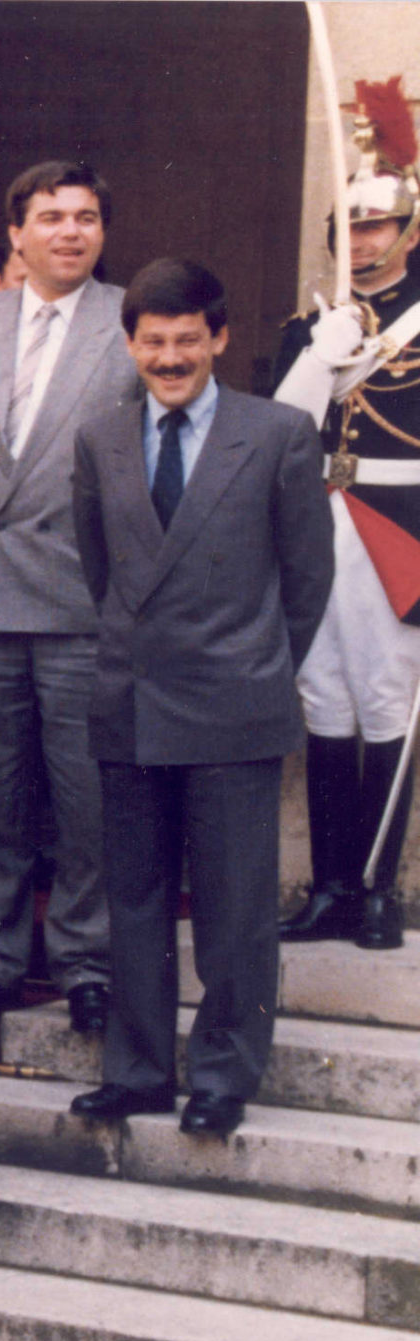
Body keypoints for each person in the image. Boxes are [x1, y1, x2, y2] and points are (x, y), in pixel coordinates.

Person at [69, 259, 333, 1140]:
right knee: (136, 901)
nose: (170, 358)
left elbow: (307, 581)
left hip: (234, 705)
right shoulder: (100, 438)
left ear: (218, 339)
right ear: (131, 344)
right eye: (153, 342)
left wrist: (252, 666)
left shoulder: (280, 435)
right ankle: (138, 1070)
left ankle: (222, 1073)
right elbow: (104, 566)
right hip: (132, 703)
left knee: (233, 905)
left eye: (188, 340)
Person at [0, 160, 141, 1041]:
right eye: (51, 217)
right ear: (15, 233)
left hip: (81, 601)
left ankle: (86, 964)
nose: (70, 232)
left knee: (86, 796)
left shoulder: (129, 322)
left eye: (86, 216)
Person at [273, 77, 420, 951]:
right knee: (323, 698)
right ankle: (329, 885)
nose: (361, 241)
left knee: (386, 701)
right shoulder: (313, 321)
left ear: (408, 233)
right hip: (320, 515)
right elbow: (282, 431)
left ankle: (377, 890)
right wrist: (322, 358)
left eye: (377, 225)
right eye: (350, 226)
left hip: (402, 523)